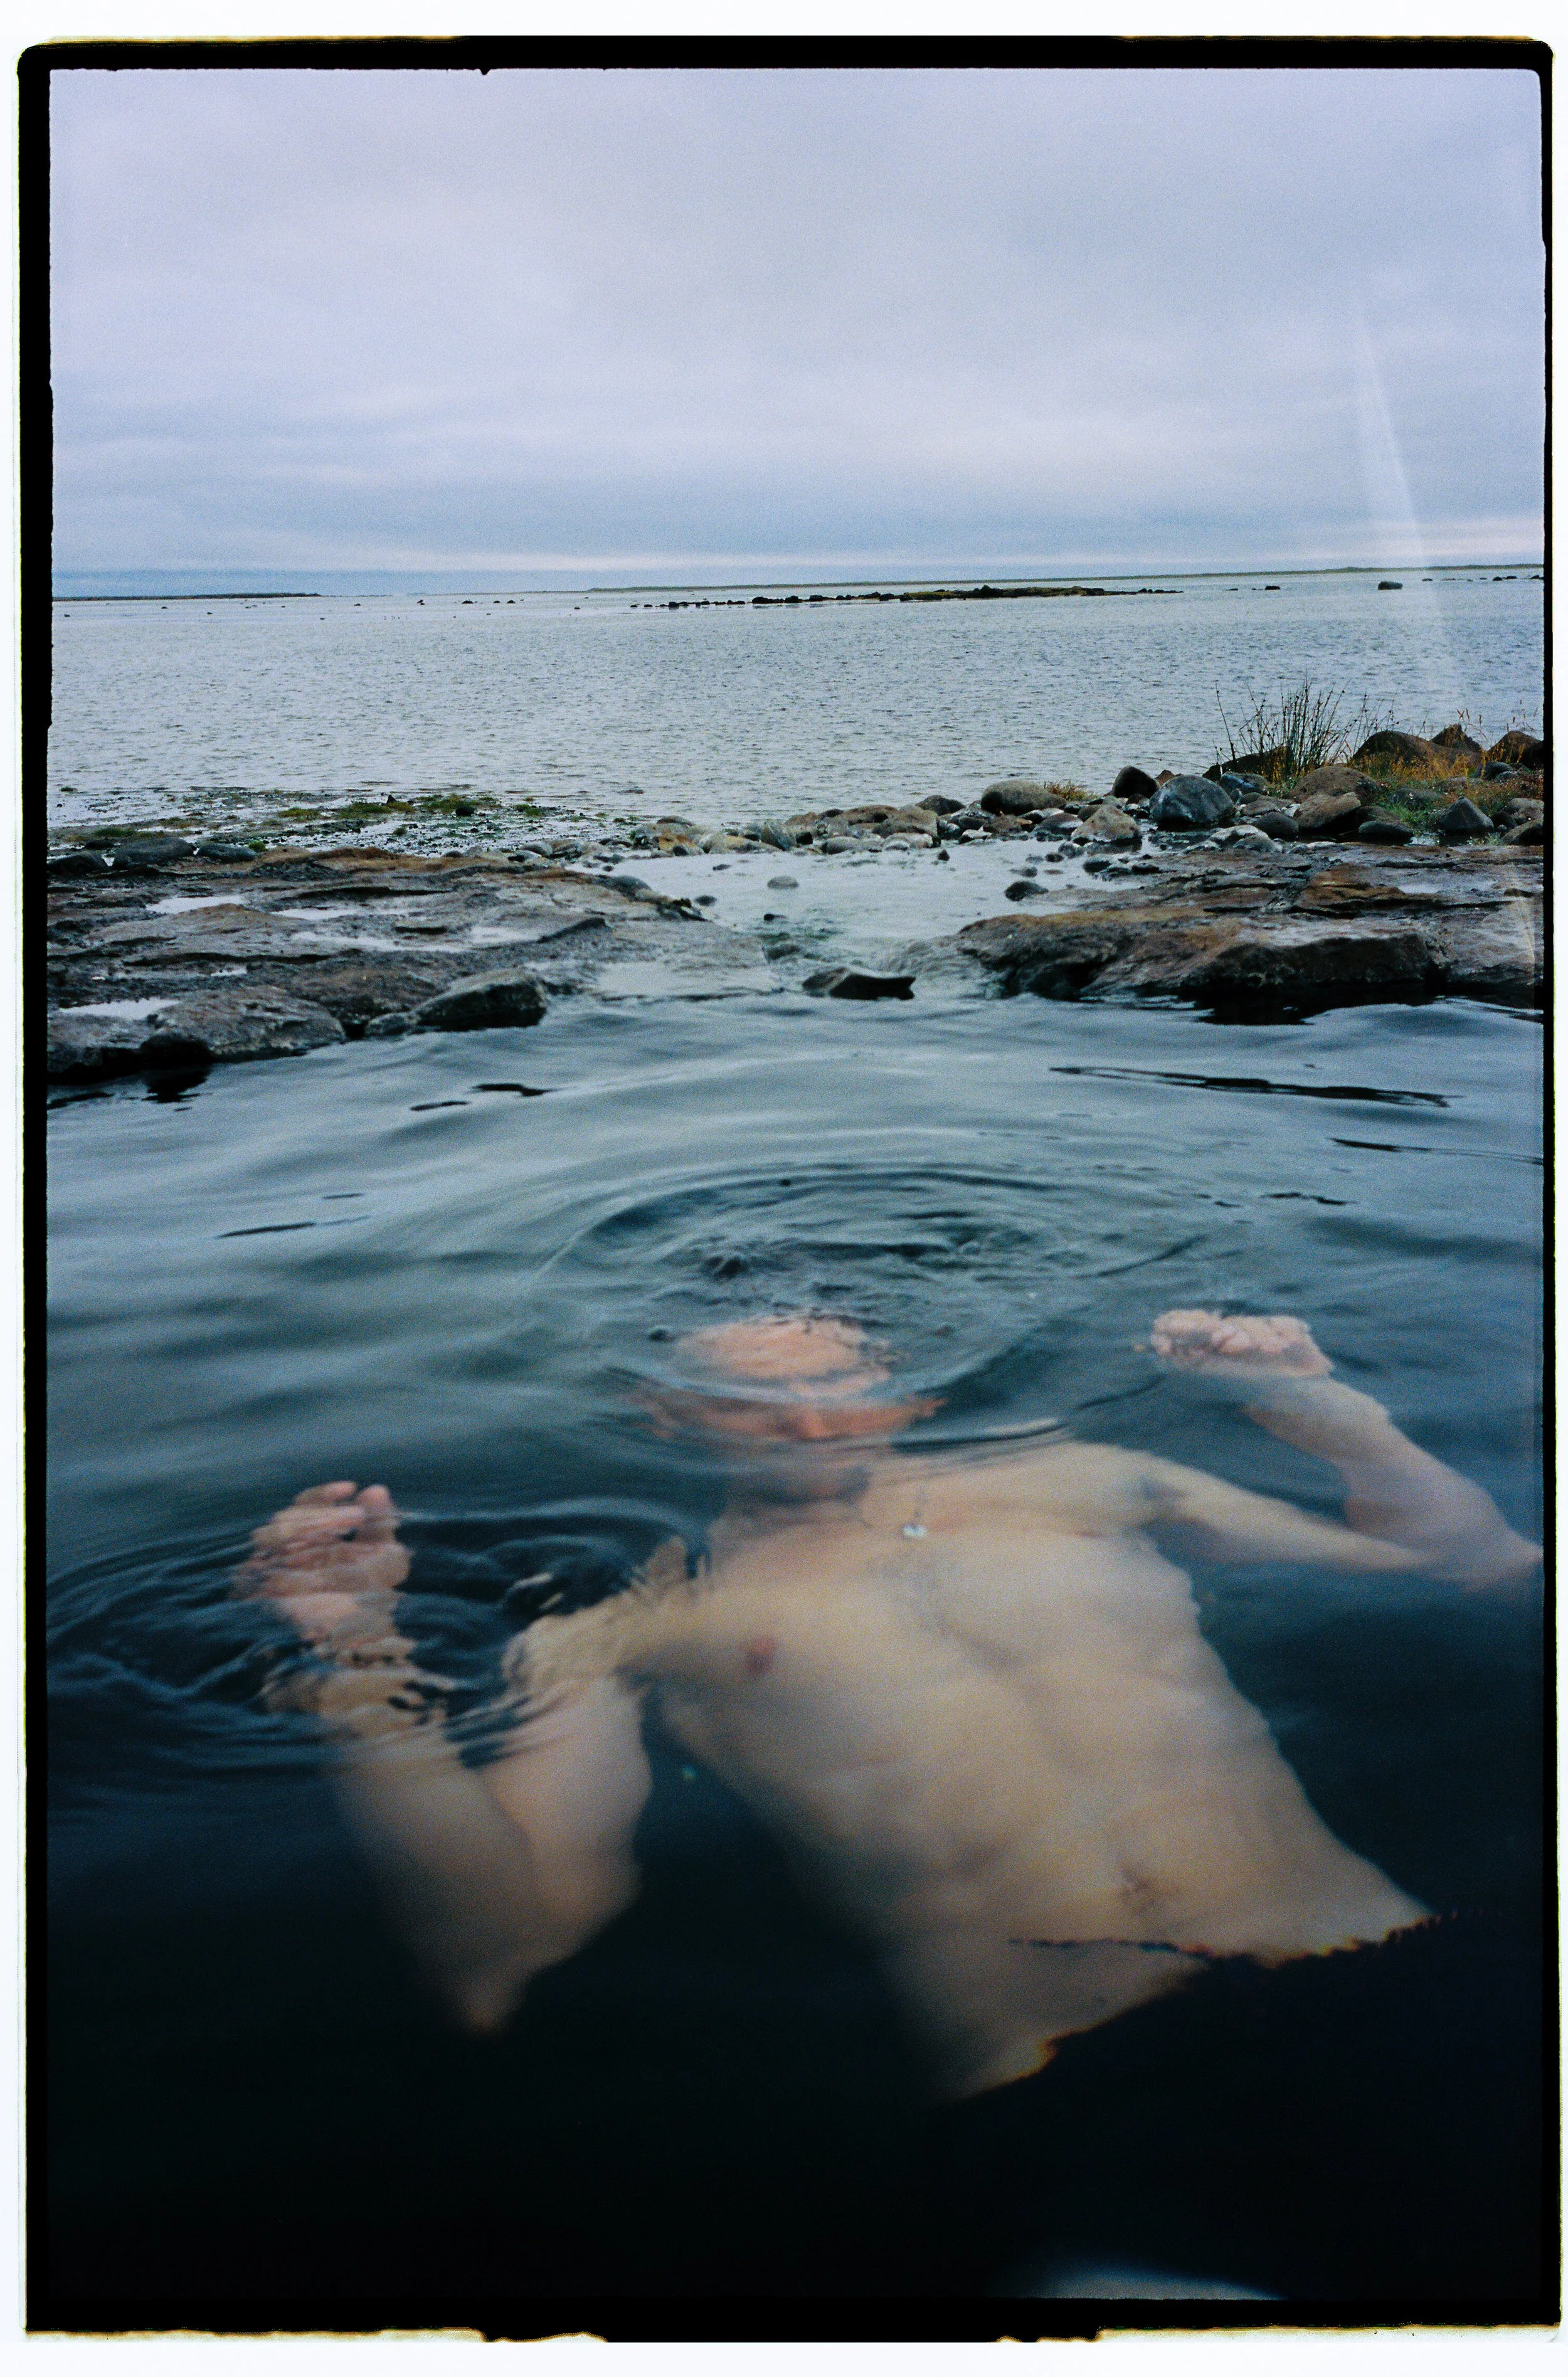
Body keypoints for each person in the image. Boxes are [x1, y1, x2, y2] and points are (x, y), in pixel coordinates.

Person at [239, 1308, 1542, 2297]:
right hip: (1070, 2083)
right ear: (658, 1414)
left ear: (903, 1381)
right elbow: (504, 1942)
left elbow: (1468, 1564)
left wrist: (1318, 1407)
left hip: (1385, 1973)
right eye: (751, 1402)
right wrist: (353, 1667)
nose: (813, 1427)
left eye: (837, 1384)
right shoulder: (634, 1622)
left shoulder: (1086, 1480)